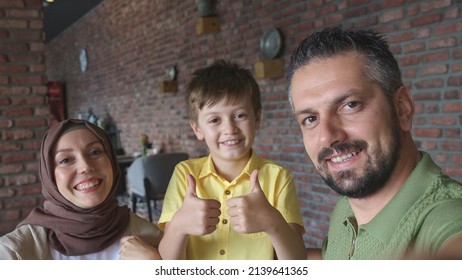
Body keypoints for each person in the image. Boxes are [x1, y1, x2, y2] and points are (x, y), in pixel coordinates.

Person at [287, 26, 462, 260]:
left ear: (402, 108)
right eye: (310, 119)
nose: (327, 136)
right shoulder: (346, 208)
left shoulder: (447, 218)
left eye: (350, 105)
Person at [122, 59, 306, 260]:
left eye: (239, 115)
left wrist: (273, 223)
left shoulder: (278, 177)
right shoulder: (185, 174)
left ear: (257, 120)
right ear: (197, 129)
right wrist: (178, 226)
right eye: (214, 120)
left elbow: (296, 262)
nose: (229, 129)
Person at [0, 119, 162, 259]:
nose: (85, 166)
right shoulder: (15, 252)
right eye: (65, 160)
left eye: (95, 152)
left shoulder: (149, 237)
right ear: (49, 176)